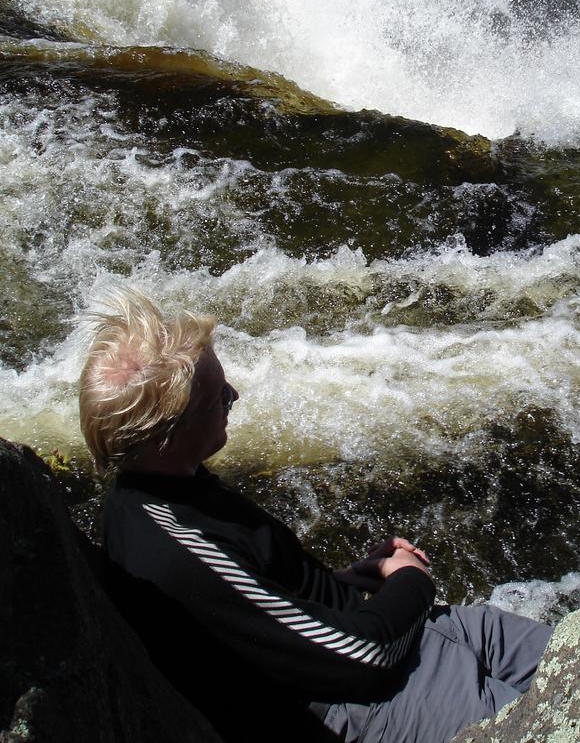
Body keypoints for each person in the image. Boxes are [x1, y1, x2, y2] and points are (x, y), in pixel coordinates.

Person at [79, 287, 552, 743]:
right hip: (377, 701)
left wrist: (348, 579)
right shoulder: (174, 549)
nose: (234, 396)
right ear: (167, 437)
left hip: (407, 632)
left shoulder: (168, 479)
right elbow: (361, 657)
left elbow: (260, 601)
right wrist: (412, 579)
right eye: (218, 396)